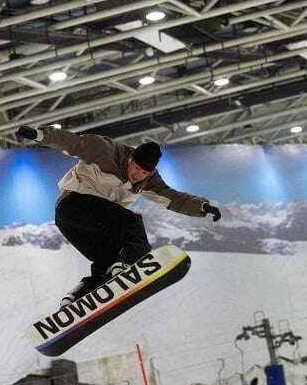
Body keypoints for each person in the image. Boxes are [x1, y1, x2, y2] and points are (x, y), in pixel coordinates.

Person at [17, 125, 221, 306]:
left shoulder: (149, 180)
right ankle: (133, 262)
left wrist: (202, 207)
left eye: (144, 173)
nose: (138, 175)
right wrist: (39, 135)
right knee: (130, 222)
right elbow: (71, 142)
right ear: (131, 157)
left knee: (108, 259)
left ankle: (80, 297)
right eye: (136, 167)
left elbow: (172, 198)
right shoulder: (103, 150)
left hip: (86, 223)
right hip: (74, 205)